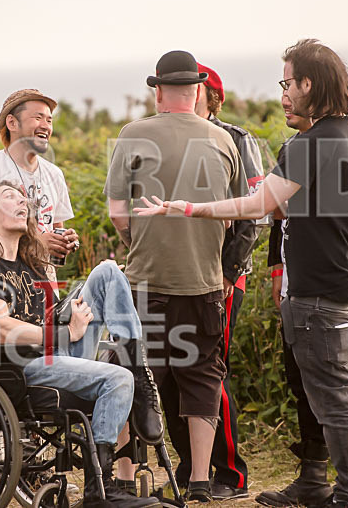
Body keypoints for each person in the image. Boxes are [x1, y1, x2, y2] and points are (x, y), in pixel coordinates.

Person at [135, 40, 348, 508]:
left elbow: (256, 205)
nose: (283, 93)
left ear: (309, 83)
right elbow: (291, 204)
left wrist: (190, 207)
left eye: (288, 83)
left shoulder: (312, 144)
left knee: (337, 404)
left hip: (321, 298)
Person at [105, 50, 247, 503]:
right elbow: (240, 213)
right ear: (199, 91)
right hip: (204, 282)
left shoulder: (133, 134)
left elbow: (117, 213)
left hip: (146, 281)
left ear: (158, 91)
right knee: (203, 378)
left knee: (134, 376)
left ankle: (126, 478)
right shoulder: (224, 140)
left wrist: (140, 241)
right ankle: (202, 481)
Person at [0, 181, 162, 508]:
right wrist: (65, 333)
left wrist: (64, 317)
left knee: (107, 272)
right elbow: (2, 328)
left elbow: (33, 317)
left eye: (24, 199)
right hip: (23, 366)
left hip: (55, 351)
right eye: (10, 198)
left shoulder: (29, 264)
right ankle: (99, 490)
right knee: (118, 378)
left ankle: (140, 372)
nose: (22, 203)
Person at [158, 63, 265, 500]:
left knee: (206, 373)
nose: (186, 94)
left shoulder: (236, 139)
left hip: (219, 278)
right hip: (168, 277)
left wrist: (228, 271)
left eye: (194, 88)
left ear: (207, 95)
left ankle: (229, 474)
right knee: (166, 374)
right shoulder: (159, 136)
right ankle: (190, 468)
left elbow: (254, 212)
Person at [254, 94, 337, 508]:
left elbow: (283, 207)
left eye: (290, 88)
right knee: (298, 379)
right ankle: (313, 477)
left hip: (322, 285)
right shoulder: (292, 148)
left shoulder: (329, 146)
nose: (283, 99)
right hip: (292, 279)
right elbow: (278, 219)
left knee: (331, 387)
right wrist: (275, 268)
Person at [0, 89, 79, 271]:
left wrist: (65, 241)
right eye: (38, 118)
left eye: (49, 120)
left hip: (45, 283)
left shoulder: (54, 173)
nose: (46, 126)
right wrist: (35, 243)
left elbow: (56, 227)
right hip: (4, 280)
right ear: (12, 123)